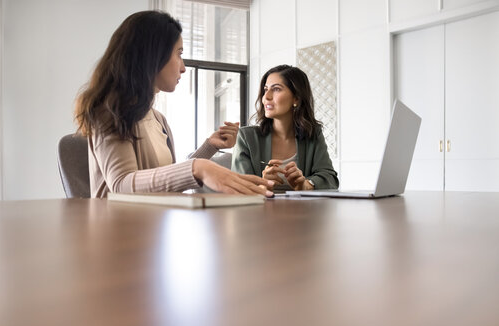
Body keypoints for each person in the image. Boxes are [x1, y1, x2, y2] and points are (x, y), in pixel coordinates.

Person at [74, 11, 273, 198]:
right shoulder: (109, 111)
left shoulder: (158, 118)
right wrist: (198, 168)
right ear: (152, 55)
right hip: (118, 231)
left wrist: (209, 147)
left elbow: (164, 179)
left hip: (152, 227)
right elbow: (121, 184)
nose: (184, 67)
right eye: (178, 53)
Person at [232, 65, 339, 191]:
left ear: (296, 98)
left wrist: (305, 185)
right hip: (260, 210)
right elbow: (237, 188)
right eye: (265, 89)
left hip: (304, 210)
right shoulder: (246, 138)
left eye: (276, 89)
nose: (266, 97)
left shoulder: (313, 134)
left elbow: (330, 178)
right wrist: (264, 185)